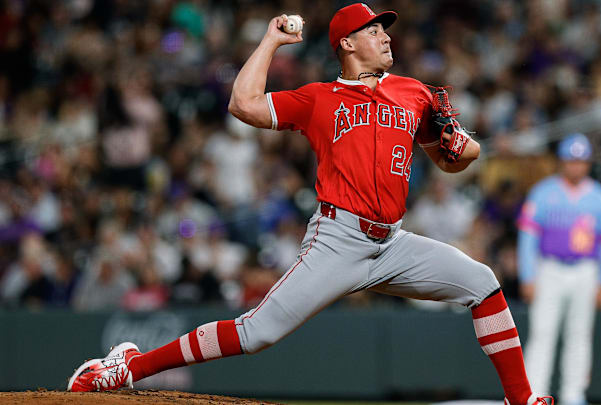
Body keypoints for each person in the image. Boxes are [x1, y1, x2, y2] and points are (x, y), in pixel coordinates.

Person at [67, 4, 552, 405]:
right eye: (373, 29)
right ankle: (127, 367)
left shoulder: (414, 93)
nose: (385, 36)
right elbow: (243, 103)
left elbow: (458, 159)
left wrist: (458, 141)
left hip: (393, 241)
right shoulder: (319, 99)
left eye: (385, 28)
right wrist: (271, 41)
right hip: (338, 239)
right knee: (257, 333)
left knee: (484, 284)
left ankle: (522, 400)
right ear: (346, 43)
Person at [517, 133, 601, 405]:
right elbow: (528, 237)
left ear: (588, 164)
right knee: (542, 334)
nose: (576, 166)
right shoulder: (543, 191)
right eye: (571, 160)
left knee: (580, 335)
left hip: (586, 269)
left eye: (581, 161)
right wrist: (528, 275)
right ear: (562, 162)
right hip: (549, 268)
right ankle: (535, 394)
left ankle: (573, 395)